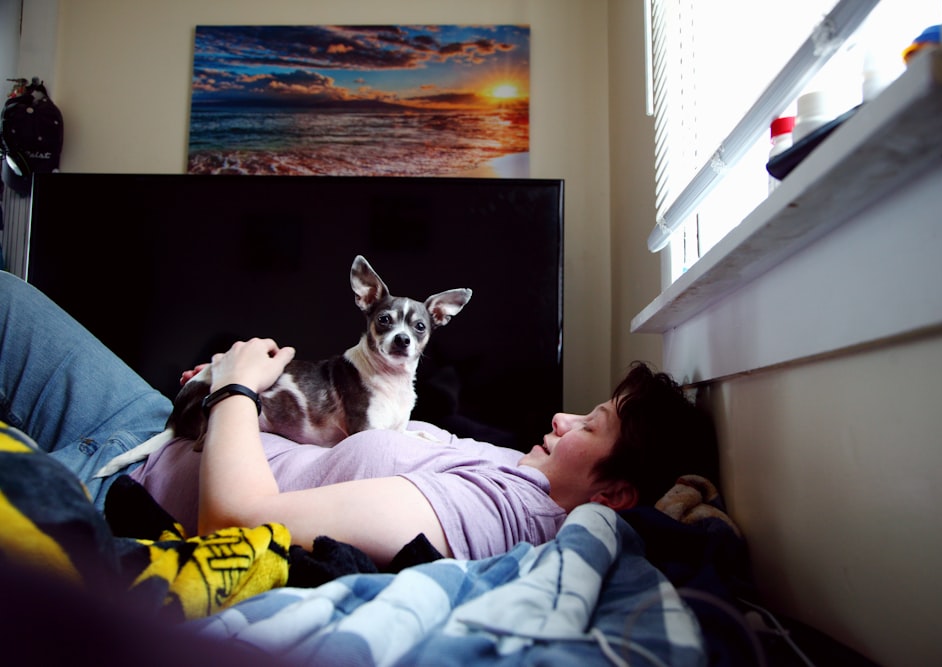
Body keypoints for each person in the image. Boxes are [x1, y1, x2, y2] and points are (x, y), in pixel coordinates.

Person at [0, 271, 718, 568]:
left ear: (614, 494)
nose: (561, 419)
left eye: (589, 425)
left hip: (121, 477)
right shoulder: (507, 463)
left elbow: (239, 518)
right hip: (156, 422)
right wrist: (220, 384)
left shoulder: (491, 510)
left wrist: (236, 389)